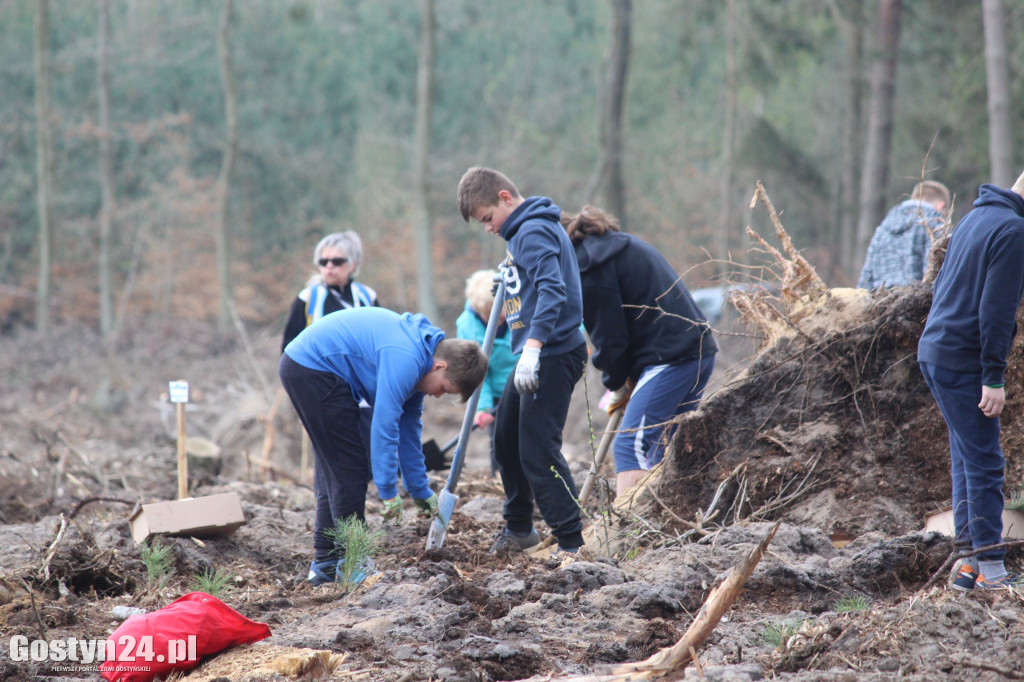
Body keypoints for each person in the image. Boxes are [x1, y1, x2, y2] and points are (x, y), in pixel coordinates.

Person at [280, 307, 488, 586]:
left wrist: (419, 489)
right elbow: (384, 426)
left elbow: (408, 429)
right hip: (312, 369)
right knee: (349, 469)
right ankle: (353, 564)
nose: (437, 395)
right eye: (444, 389)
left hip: (310, 368)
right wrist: (388, 490)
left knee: (334, 467)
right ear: (441, 366)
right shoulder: (406, 358)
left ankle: (326, 564)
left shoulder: (420, 361)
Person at [458, 166, 588, 556]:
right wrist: (512, 275)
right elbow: (535, 280)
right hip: (535, 351)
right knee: (505, 439)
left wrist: (532, 347)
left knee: (536, 448)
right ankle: (519, 529)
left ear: (505, 199)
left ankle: (572, 543)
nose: (487, 228)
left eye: (487, 219)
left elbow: (553, 289)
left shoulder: (531, 230)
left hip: (551, 350)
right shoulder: (521, 235)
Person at [563, 205, 718, 495]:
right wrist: (624, 381)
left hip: (671, 358)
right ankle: (663, 524)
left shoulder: (589, 269)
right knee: (661, 450)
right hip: (695, 352)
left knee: (630, 444)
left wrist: (616, 383)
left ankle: (629, 531)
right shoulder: (608, 248)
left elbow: (610, 340)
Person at [917, 171, 1024, 591]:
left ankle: (968, 567)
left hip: (937, 351)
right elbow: (996, 313)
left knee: (967, 457)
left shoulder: (978, 217)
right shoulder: (1014, 231)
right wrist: (993, 376)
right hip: (963, 359)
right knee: (985, 461)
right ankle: (992, 572)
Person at [456, 269, 520, 476]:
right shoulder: (467, 326)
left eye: (497, 310)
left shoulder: (521, 309)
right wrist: (482, 407)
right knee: (499, 439)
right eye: (486, 312)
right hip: (495, 394)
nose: (495, 318)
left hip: (526, 383)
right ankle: (500, 480)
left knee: (527, 437)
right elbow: (476, 372)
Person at [282, 231, 379, 351]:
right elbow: (289, 349)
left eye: (337, 261)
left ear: (352, 264)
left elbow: (379, 341)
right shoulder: (308, 298)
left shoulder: (367, 296)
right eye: (323, 262)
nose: (329, 266)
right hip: (319, 369)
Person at [857, 180, 950, 290]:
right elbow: (938, 274)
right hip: (919, 303)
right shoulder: (936, 224)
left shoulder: (883, 227)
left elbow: (866, 277)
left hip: (881, 301)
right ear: (941, 206)